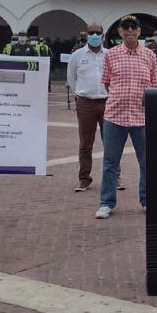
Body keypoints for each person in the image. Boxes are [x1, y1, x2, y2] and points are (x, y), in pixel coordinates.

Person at [94, 15, 157, 219]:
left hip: (142, 117)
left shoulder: (150, 55)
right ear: (120, 32)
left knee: (147, 162)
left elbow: (153, 85)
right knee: (110, 162)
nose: (130, 30)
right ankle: (106, 202)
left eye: (134, 27)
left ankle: (147, 200)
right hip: (115, 116)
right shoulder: (111, 55)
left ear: (139, 31)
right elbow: (106, 83)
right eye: (125, 27)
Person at [67, 23, 108, 193]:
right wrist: (80, 95)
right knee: (85, 144)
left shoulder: (110, 55)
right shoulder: (77, 56)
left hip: (107, 102)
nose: (95, 35)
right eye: (92, 33)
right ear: (86, 35)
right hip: (85, 103)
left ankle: (114, 176)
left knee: (112, 142)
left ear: (103, 35)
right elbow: (71, 78)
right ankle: (84, 178)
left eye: (98, 33)